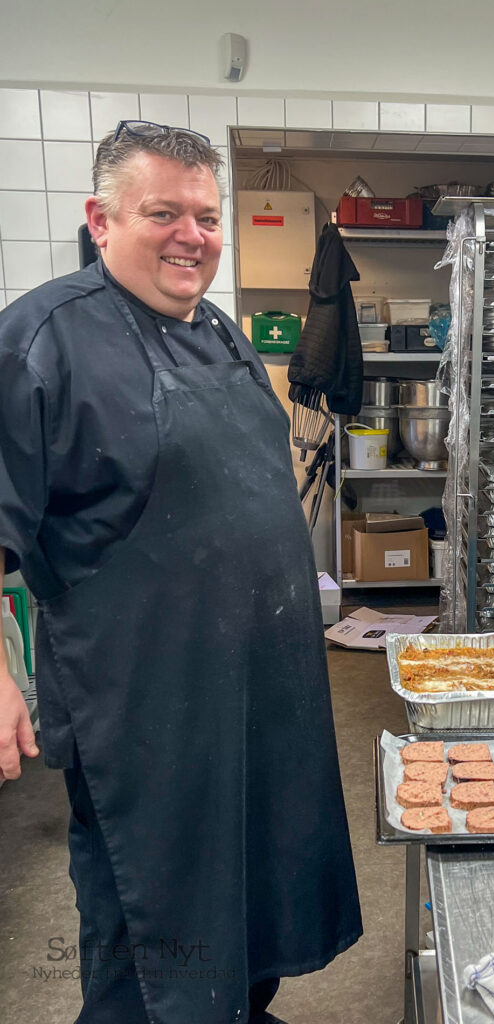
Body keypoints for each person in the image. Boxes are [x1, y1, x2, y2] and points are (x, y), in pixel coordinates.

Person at [0, 121, 362, 1024]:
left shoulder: (223, 335)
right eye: (163, 213)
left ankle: (240, 1005)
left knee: (248, 883)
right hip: (144, 710)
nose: (190, 236)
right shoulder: (42, 339)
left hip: (253, 695)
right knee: (153, 917)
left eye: (205, 216)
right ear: (100, 218)